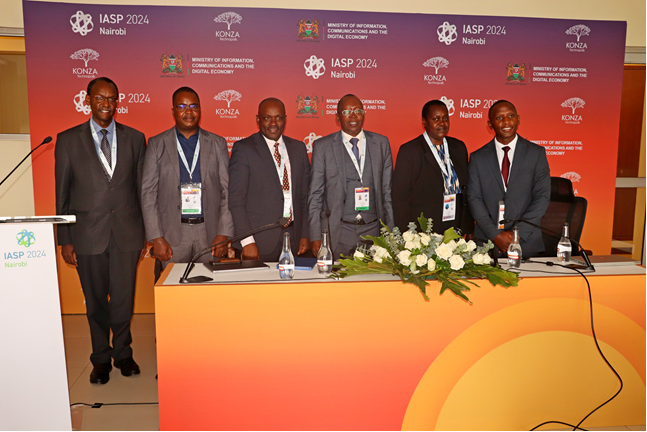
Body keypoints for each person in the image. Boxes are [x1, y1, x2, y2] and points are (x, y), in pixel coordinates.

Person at [55, 77, 145, 384]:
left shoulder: (135, 138)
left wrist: (145, 234)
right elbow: (62, 194)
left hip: (126, 233)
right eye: (100, 98)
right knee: (95, 302)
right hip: (87, 234)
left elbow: (140, 190)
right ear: (88, 100)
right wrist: (64, 239)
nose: (106, 104)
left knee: (123, 299)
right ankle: (100, 358)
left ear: (117, 102)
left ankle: (123, 353)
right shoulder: (68, 140)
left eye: (111, 99)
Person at [141, 87, 234, 269]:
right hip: (172, 235)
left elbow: (227, 191)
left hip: (209, 234)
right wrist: (156, 237)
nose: (189, 111)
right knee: (171, 293)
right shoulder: (156, 144)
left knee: (208, 294)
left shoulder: (217, 143)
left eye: (194, 106)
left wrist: (224, 233)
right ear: (173, 111)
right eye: (182, 106)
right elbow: (148, 194)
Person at [309, 94, 394, 259]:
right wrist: (315, 236)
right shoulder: (323, 147)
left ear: (364, 114)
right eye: (347, 111)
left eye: (358, 111)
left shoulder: (381, 144)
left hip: (373, 233)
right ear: (337, 117)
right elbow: (315, 196)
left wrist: (390, 233)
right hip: (338, 234)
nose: (353, 115)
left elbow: (387, 193)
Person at [228, 98, 311, 261]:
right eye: (267, 118)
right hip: (258, 242)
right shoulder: (244, 149)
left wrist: (305, 234)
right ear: (258, 119)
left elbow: (305, 197)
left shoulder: (299, 148)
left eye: (278, 117)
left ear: (285, 120)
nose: (273, 123)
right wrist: (247, 241)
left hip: (294, 240)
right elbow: (236, 201)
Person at [467, 100, 550, 257]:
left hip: (526, 243)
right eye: (499, 118)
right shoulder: (478, 158)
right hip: (488, 244)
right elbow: (474, 199)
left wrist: (517, 234)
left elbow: (542, 197)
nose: (506, 122)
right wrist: (495, 235)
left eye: (511, 116)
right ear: (490, 125)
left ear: (518, 119)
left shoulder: (536, 154)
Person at [392, 100, 473, 236]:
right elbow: (400, 198)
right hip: (423, 231)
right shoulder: (410, 151)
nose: (442, 123)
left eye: (445, 118)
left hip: (455, 226)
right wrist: (405, 235)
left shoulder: (458, 147)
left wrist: (468, 227)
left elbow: (467, 191)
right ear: (424, 122)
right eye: (436, 119)